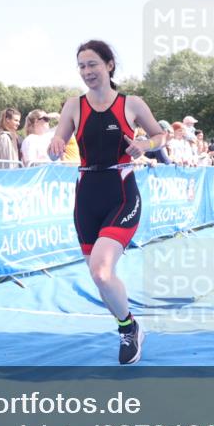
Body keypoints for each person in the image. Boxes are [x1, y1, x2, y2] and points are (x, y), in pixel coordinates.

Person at [48, 40, 165, 365]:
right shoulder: (73, 105)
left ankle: (127, 331)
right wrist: (55, 144)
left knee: (101, 272)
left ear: (109, 65)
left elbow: (160, 137)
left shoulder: (132, 104)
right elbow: (55, 144)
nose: (87, 72)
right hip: (86, 197)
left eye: (93, 65)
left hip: (122, 191)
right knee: (100, 275)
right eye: (82, 66)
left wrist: (145, 143)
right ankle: (129, 325)